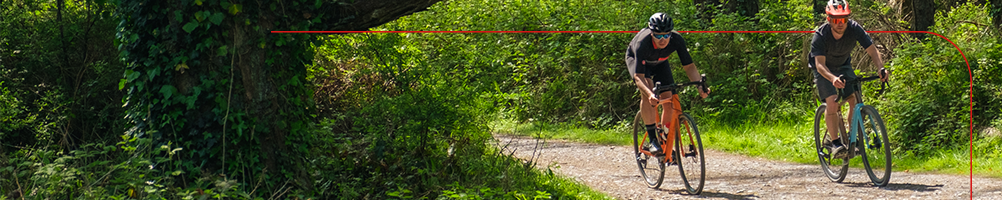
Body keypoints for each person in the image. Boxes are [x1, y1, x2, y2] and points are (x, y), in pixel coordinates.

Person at [809, 0, 888, 159]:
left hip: (843, 65)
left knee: (856, 100)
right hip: (824, 70)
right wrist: (832, 79)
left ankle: (853, 138)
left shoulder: (854, 28)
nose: (840, 23)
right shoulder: (820, 36)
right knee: (832, 102)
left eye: (843, 19)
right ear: (828, 19)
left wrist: (880, 68)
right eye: (836, 19)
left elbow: (872, 50)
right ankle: (836, 143)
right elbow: (820, 65)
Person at [625, 13, 710, 157]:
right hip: (640, 63)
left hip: (660, 63)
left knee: (668, 97)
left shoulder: (676, 40)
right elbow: (638, 77)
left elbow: (689, 66)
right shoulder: (642, 43)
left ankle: (664, 137)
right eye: (658, 36)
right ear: (652, 33)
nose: (663, 39)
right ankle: (652, 139)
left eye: (666, 35)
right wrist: (650, 94)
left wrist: (700, 86)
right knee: (648, 94)